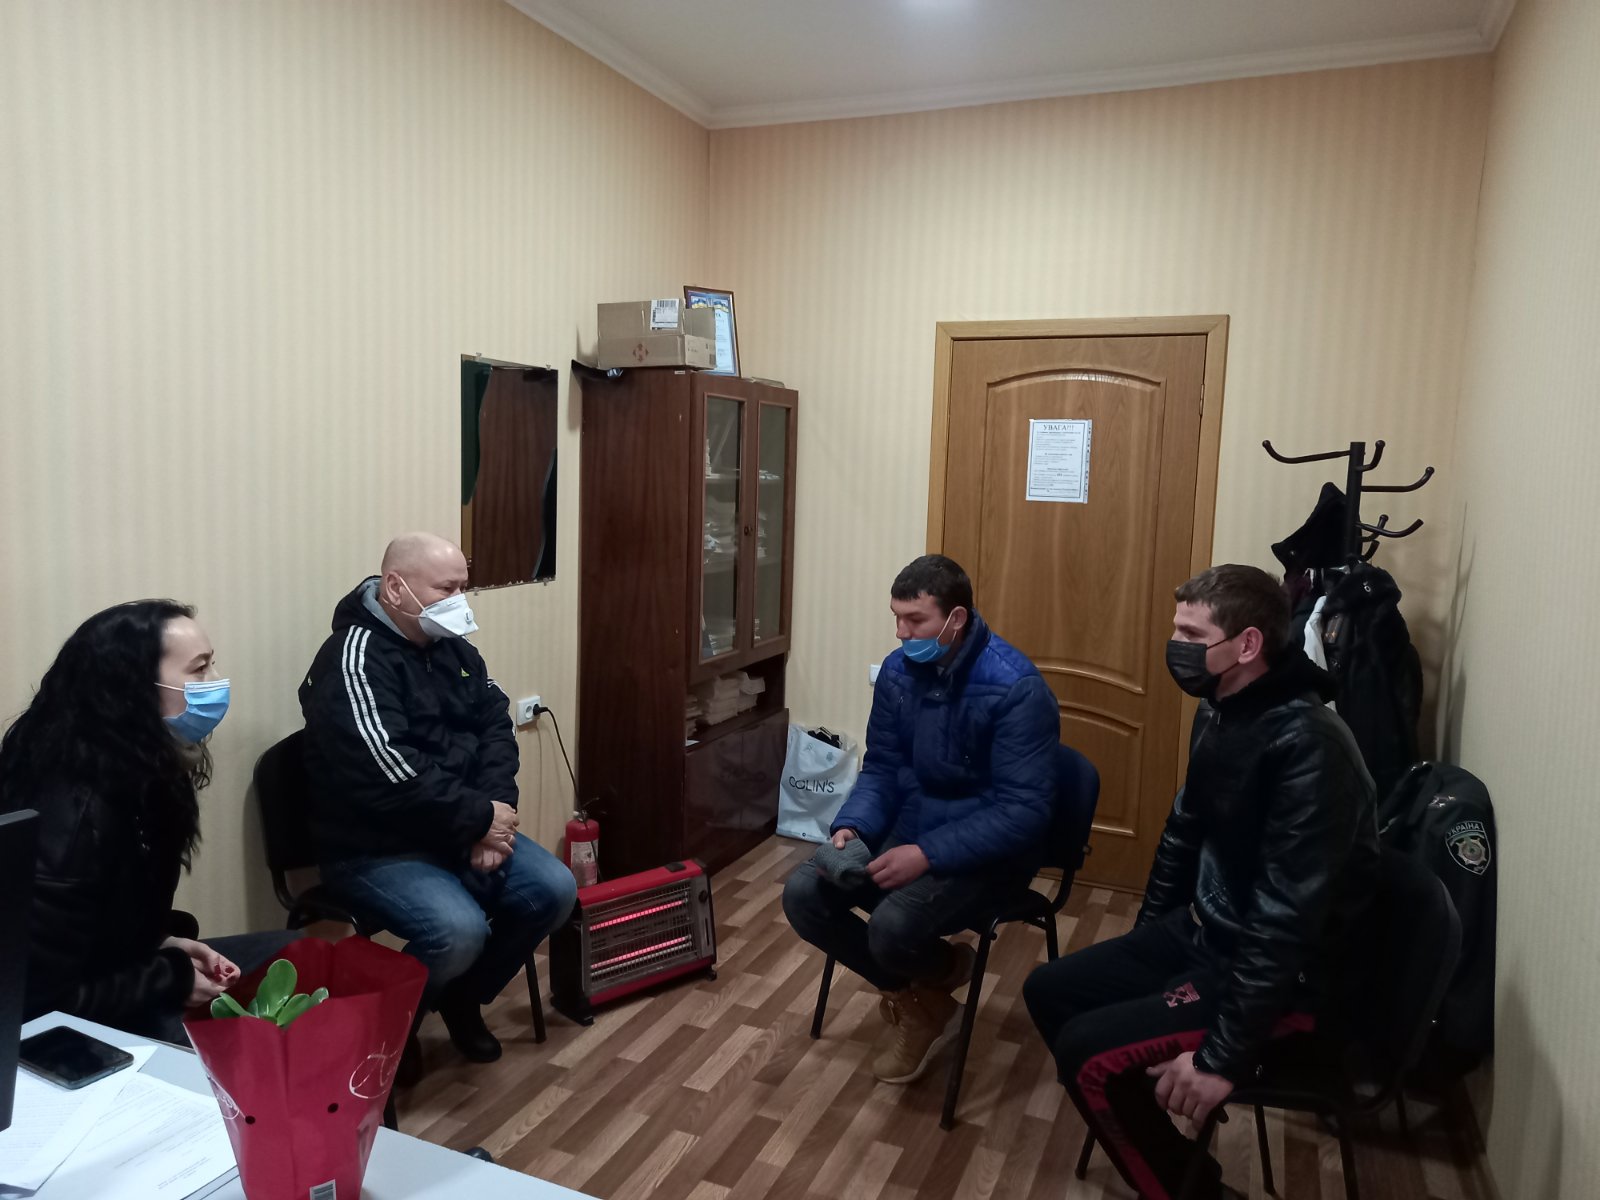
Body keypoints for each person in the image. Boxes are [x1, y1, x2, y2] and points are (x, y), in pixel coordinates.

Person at [1024, 565, 1379, 1200]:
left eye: (1191, 634)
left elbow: (1284, 920)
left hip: (1285, 978)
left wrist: (1222, 1055)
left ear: (1247, 645)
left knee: (1088, 1054)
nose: (1176, 647)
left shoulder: (1310, 748)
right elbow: (1182, 834)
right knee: (1049, 990)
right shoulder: (1221, 708)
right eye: (1176, 630)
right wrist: (1146, 939)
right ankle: (1158, 1127)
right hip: (1211, 933)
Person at [299, 533, 576, 1071]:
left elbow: (496, 729)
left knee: (554, 890)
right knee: (457, 931)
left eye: (463, 588)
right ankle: (392, 1031)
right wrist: (479, 820)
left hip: (460, 824)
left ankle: (460, 997)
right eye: (446, 589)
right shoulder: (353, 659)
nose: (459, 602)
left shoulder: (454, 649)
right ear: (395, 589)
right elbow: (390, 772)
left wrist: (494, 815)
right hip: (376, 847)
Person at [782, 554, 1059, 1084]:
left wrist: (927, 854)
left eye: (915, 620)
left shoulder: (1016, 687)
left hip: (990, 852)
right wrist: (854, 826)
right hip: (913, 827)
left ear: (955, 619)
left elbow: (1023, 812)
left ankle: (930, 980)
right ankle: (926, 993)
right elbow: (883, 767)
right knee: (804, 892)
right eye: (896, 617)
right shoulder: (898, 672)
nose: (901, 632)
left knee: (892, 927)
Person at [1, 600, 295, 1043]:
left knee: (299, 956)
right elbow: (40, 1003)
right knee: (243, 1048)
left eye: (212, 665)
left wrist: (164, 942)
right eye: (199, 670)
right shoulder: (70, 815)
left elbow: (111, 918)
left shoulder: (144, 768)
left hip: (123, 974)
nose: (216, 683)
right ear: (132, 688)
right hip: (62, 1028)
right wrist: (169, 977)